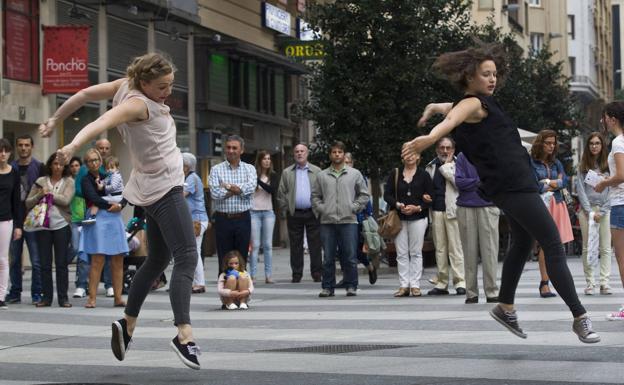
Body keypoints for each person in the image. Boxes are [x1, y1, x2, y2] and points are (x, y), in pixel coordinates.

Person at [403, 43, 599, 343]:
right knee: (552, 244)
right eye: (485, 74)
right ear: (470, 76)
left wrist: (434, 106)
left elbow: (451, 111)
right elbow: (452, 120)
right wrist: (428, 139)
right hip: (513, 184)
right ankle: (579, 316)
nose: (492, 79)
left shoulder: (476, 103)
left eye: (494, 74)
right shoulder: (471, 104)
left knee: (522, 241)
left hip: (509, 184)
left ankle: (505, 306)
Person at [39, 52, 201, 369]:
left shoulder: (123, 86)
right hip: (166, 189)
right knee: (187, 257)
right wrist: (72, 146)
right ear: (144, 82)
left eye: (170, 85)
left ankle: (127, 326)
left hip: (148, 189)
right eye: (162, 86)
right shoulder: (136, 103)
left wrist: (57, 118)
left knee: (157, 259)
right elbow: (102, 122)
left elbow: (85, 94)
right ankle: (184, 335)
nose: (167, 92)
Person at [312, 141, 369, 297]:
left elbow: (364, 194)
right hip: (327, 222)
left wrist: (354, 207)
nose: (337, 154)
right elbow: (315, 196)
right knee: (328, 257)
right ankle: (327, 287)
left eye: (340, 152)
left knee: (350, 256)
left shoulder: (354, 174)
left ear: (344, 155)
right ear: (330, 155)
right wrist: (323, 209)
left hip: (349, 220)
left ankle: (351, 285)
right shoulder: (322, 175)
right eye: (334, 152)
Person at [79, 148, 128, 309]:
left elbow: (124, 193)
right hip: (99, 218)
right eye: (90, 160)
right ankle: (92, 298)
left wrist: (120, 204)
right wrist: (110, 205)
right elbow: (92, 197)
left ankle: (118, 297)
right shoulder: (86, 179)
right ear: (86, 164)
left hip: (114, 218)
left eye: (96, 160)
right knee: (97, 259)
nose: (94, 163)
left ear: (100, 160)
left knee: (118, 259)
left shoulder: (110, 174)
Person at [26, 154, 74, 308]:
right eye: (55, 164)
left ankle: (63, 298)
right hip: (43, 227)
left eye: (60, 164)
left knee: (61, 264)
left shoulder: (69, 181)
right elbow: (28, 202)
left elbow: (66, 200)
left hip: (61, 225)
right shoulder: (40, 182)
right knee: (45, 264)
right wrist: (40, 194)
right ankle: (46, 298)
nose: (57, 167)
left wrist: (50, 193)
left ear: (64, 166)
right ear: (50, 165)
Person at [530, 130, 574, 298]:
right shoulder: (532, 163)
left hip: (557, 204)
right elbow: (534, 185)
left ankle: (556, 281)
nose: (551, 146)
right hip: (542, 205)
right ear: (540, 143)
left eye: (553, 143)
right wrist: (552, 183)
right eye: (547, 142)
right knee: (545, 244)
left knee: (558, 245)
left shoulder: (556, 163)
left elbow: (564, 182)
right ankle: (544, 283)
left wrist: (548, 183)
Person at [383, 152, 433, 297]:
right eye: (407, 154)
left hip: (419, 217)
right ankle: (404, 285)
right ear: (402, 157)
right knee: (401, 253)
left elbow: (431, 196)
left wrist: (418, 207)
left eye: (413, 154)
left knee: (416, 252)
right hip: (399, 218)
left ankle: (415, 285)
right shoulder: (396, 173)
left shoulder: (424, 175)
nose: (410, 157)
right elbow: (387, 194)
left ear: (418, 157)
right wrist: (398, 205)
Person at [455, 152, 500, 304]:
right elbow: (458, 182)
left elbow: (496, 179)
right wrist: (480, 182)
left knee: (490, 252)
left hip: (488, 205)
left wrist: (472, 183)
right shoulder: (462, 156)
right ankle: (471, 292)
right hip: (466, 206)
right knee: (469, 252)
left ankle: (492, 291)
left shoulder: (492, 153)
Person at [208, 135, 257, 274]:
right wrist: (238, 189)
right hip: (223, 219)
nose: (231, 151)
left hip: (243, 218)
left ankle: (241, 290)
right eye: (228, 147)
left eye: (234, 148)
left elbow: (250, 190)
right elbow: (215, 194)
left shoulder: (250, 169)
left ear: (241, 150)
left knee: (241, 257)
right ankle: (225, 289)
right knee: (224, 257)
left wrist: (227, 186)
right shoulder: (216, 169)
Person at [425, 137, 466, 296]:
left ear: (453, 150)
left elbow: (459, 184)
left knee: (456, 248)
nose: (445, 151)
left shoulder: (459, 164)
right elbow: (427, 187)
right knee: (440, 249)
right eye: (442, 148)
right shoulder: (430, 166)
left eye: (448, 148)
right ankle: (442, 283)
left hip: (453, 210)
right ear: (437, 149)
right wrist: (425, 196)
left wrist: (447, 166)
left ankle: (460, 282)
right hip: (436, 210)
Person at [6, 134, 44, 305]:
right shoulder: (9, 167)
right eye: (20, 145)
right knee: (14, 258)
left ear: (32, 146)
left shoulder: (39, 167)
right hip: (14, 218)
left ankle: (37, 292)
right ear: (17, 147)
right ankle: (15, 292)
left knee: (36, 260)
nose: (23, 148)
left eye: (26, 145)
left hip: (33, 218)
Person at [277, 144, 323, 283]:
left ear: (307, 153)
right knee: (296, 245)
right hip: (294, 213)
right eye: (297, 151)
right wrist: (286, 208)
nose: (299, 153)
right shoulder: (287, 172)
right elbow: (281, 193)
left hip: (312, 212)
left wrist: (320, 208)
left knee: (315, 244)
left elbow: (323, 191)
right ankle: (297, 274)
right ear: (293, 154)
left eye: (302, 151)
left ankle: (317, 273)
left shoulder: (317, 171)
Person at [595, 102, 624, 321]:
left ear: (613, 119)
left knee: (622, 258)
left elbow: (622, 175)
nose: (603, 121)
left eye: (605, 117)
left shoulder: (618, 142)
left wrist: (604, 183)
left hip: (620, 204)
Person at [576, 132, 612, 296]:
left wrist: (603, 211)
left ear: (602, 146)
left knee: (605, 248)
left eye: (597, 143)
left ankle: (604, 283)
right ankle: (590, 282)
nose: (594, 146)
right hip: (586, 210)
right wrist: (589, 212)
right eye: (591, 143)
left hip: (605, 210)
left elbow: (614, 190)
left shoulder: (609, 165)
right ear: (588, 146)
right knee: (587, 247)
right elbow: (581, 190)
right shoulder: (582, 166)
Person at [343, 152, 377, 285]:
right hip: (339, 218)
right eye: (344, 162)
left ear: (352, 163)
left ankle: (369, 267)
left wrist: (367, 215)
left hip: (356, 218)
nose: (346, 165)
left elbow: (365, 197)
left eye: (348, 162)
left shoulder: (358, 176)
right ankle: (347, 278)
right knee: (342, 249)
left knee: (354, 249)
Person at [0, 139, 23, 309]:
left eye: (5, 151)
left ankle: (1, 296)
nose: (2, 154)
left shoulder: (14, 172)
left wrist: (18, 225)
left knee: (2, 259)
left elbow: (17, 200)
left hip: (6, 220)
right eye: (0, 151)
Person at [182, 152, 209, 294]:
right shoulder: (187, 177)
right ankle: (193, 281)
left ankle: (199, 283)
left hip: (197, 220)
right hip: (192, 219)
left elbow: (181, 194)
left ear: (186, 166)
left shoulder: (192, 178)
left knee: (194, 250)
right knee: (192, 251)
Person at [250, 150, 278, 283]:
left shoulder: (273, 176)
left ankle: (268, 275)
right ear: (260, 161)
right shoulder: (252, 175)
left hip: (268, 212)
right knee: (255, 245)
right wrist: (255, 180)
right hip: (254, 212)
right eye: (264, 159)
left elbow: (272, 190)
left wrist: (258, 182)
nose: (267, 161)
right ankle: (253, 275)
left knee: (267, 245)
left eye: (269, 159)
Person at [67, 157, 88, 298]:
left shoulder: (85, 180)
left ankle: (81, 283)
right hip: (73, 220)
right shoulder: (69, 182)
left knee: (82, 253)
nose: (75, 168)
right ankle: (62, 262)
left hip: (85, 220)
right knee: (75, 248)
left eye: (77, 165)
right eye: (72, 165)